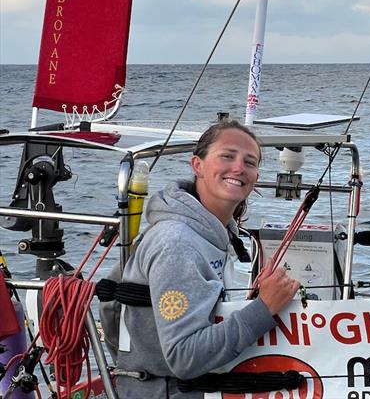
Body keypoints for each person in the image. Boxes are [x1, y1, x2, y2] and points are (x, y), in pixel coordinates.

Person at [112, 120, 300, 398]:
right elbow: (184, 357)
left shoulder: (211, 233)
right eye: (227, 156)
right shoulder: (177, 242)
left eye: (249, 162)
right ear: (197, 165)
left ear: (256, 178)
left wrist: (250, 300)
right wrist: (263, 309)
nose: (238, 167)